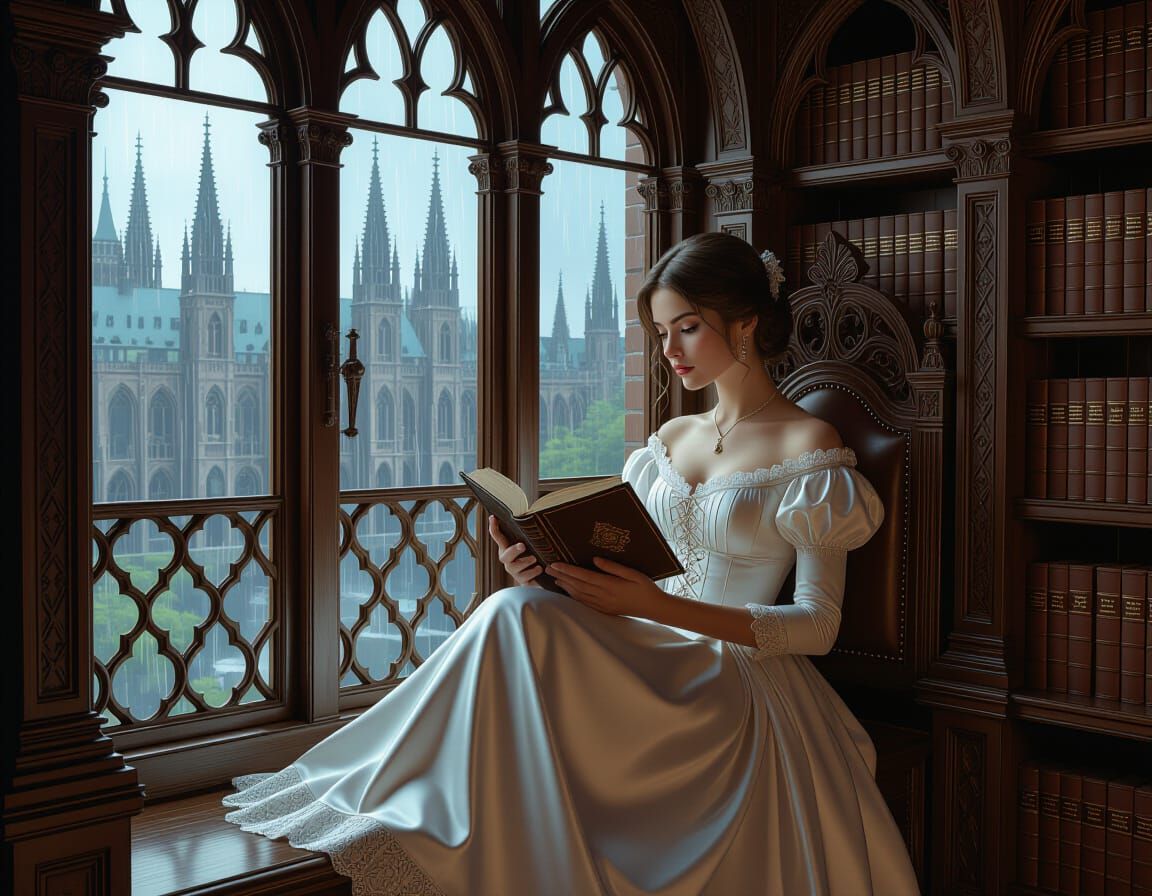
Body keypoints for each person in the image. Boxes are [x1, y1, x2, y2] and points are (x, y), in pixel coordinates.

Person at [223, 232, 922, 895]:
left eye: (686, 327)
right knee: (516, 605)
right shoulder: (670, 438)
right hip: (648, 652)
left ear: (744, 323)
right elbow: (637, 570)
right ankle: (414, 797)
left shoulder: (808, 443)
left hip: (730, 681)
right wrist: (554, 574)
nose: (669, 350)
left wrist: (650, 606)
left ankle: (446, 809)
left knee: (516, 620)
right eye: (659, 333)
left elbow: (816, 627)